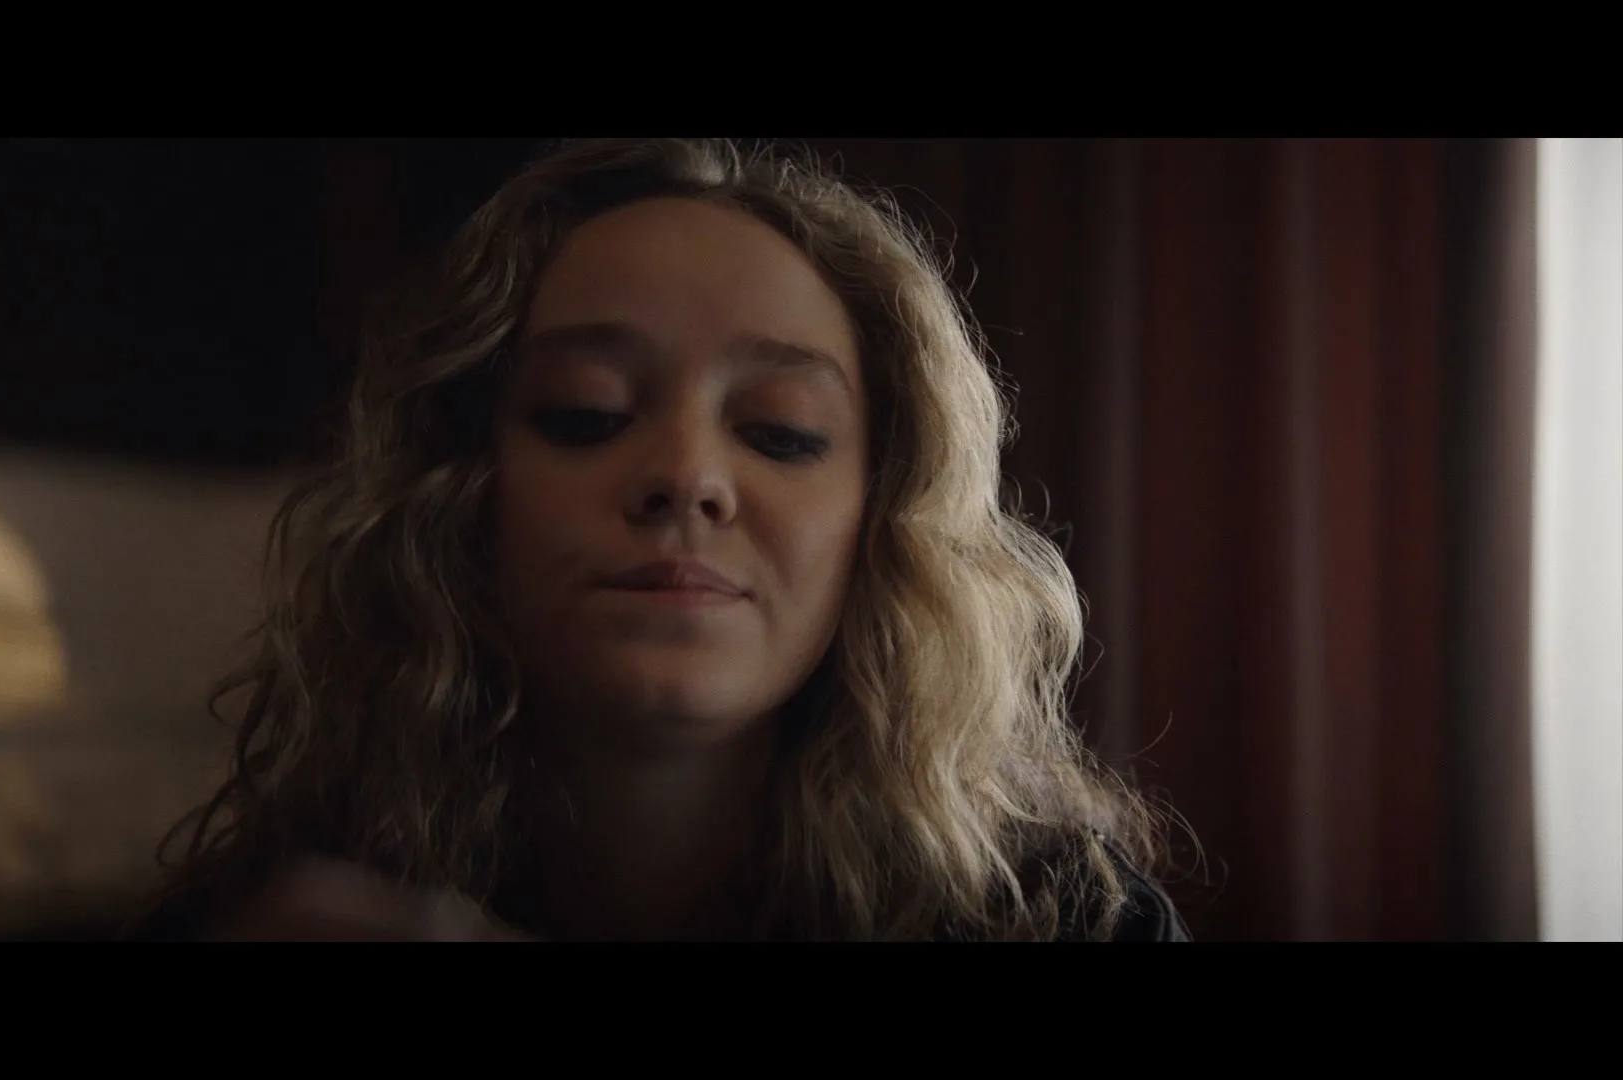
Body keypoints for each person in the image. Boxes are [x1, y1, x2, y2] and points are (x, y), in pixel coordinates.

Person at [130, 138, 1190, 942]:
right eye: (586, 414)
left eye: (781, 433)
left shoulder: (1063, 921)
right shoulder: (276, 911)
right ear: (458, 495)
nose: (685, 476)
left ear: (883, 522)